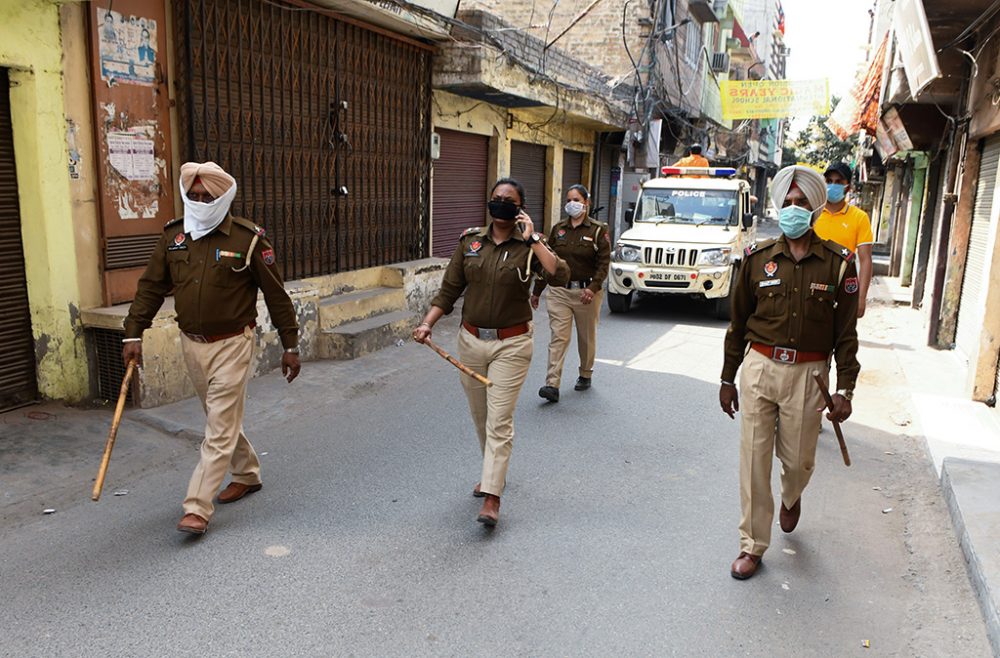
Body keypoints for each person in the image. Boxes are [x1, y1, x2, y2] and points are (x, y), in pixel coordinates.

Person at [122, 162, 301, 536]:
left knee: (218, 426)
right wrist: (133, 333)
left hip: (233, 344)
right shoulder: (175, 237)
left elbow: (276, 295)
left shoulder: (247, 239)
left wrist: (291, 344)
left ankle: (197, 507)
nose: (200, 202)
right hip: (191, 344)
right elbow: (151, 287)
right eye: (195, 195)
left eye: (209, 196)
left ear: (224, 198)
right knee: (221, 417)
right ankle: (248, 473)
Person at [719, 164, 860, 580]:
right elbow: (737, 323)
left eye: (802, 204)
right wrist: (728, 379)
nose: (793, 210)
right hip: (760, 367)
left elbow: (846, 333)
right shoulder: (757, 258)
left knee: (798, 462)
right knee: (753, 461)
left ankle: (792, 495)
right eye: (788, 203)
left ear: (816, 210)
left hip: (809, 375)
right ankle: (752, 544)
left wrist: (845, 389)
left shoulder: (838, 264)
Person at [413, 178, 570, 527]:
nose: (500, 204)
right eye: (496, 198)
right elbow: (449, 290)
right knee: (481, 416)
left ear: (520, 207)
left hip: (512, 345)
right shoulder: (470, 242)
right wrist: (428, 324)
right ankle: (492, 472)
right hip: (470, 342)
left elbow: (558, 273)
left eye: (508, 200)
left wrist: (532, 238)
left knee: (499, 420)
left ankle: (492, 496)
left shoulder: (531, 245)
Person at [531, 184, 611, 402]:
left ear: (586, 203)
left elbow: (604, 264)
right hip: (559, 292)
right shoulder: (558, 230)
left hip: (586, 293)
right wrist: (537, 290)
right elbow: (548, 262)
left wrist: (593, 288)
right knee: (559, 337)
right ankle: (552, 384)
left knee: (586, 338)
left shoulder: (598, 230)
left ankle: (585, 373)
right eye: (568, 199)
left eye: (576, 199)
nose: (571, 204)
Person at [813, 162, 874, 317]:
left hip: (842, 286)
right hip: (811, 282)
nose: (833, 185)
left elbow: (866, 259)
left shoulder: (859, 217)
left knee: (840, 336)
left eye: (839, 182)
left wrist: (861, 298)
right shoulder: (812, 213)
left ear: (848, 186)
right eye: (829, 181)